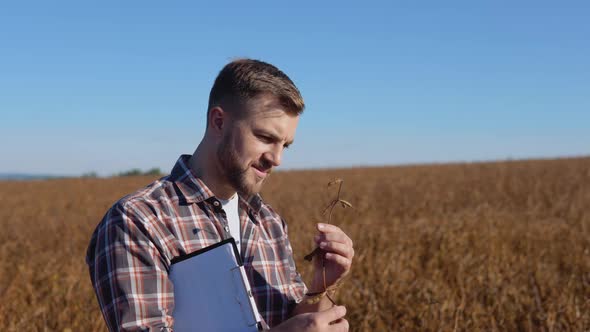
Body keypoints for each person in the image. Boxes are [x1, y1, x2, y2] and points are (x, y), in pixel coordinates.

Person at [86, 59, 354, 331]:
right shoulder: (139, 220)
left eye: (286, 145)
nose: (277, 158)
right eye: (265, 137)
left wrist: (321, 284)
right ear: (218, 121)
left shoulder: (268, 222)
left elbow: (287, 321)